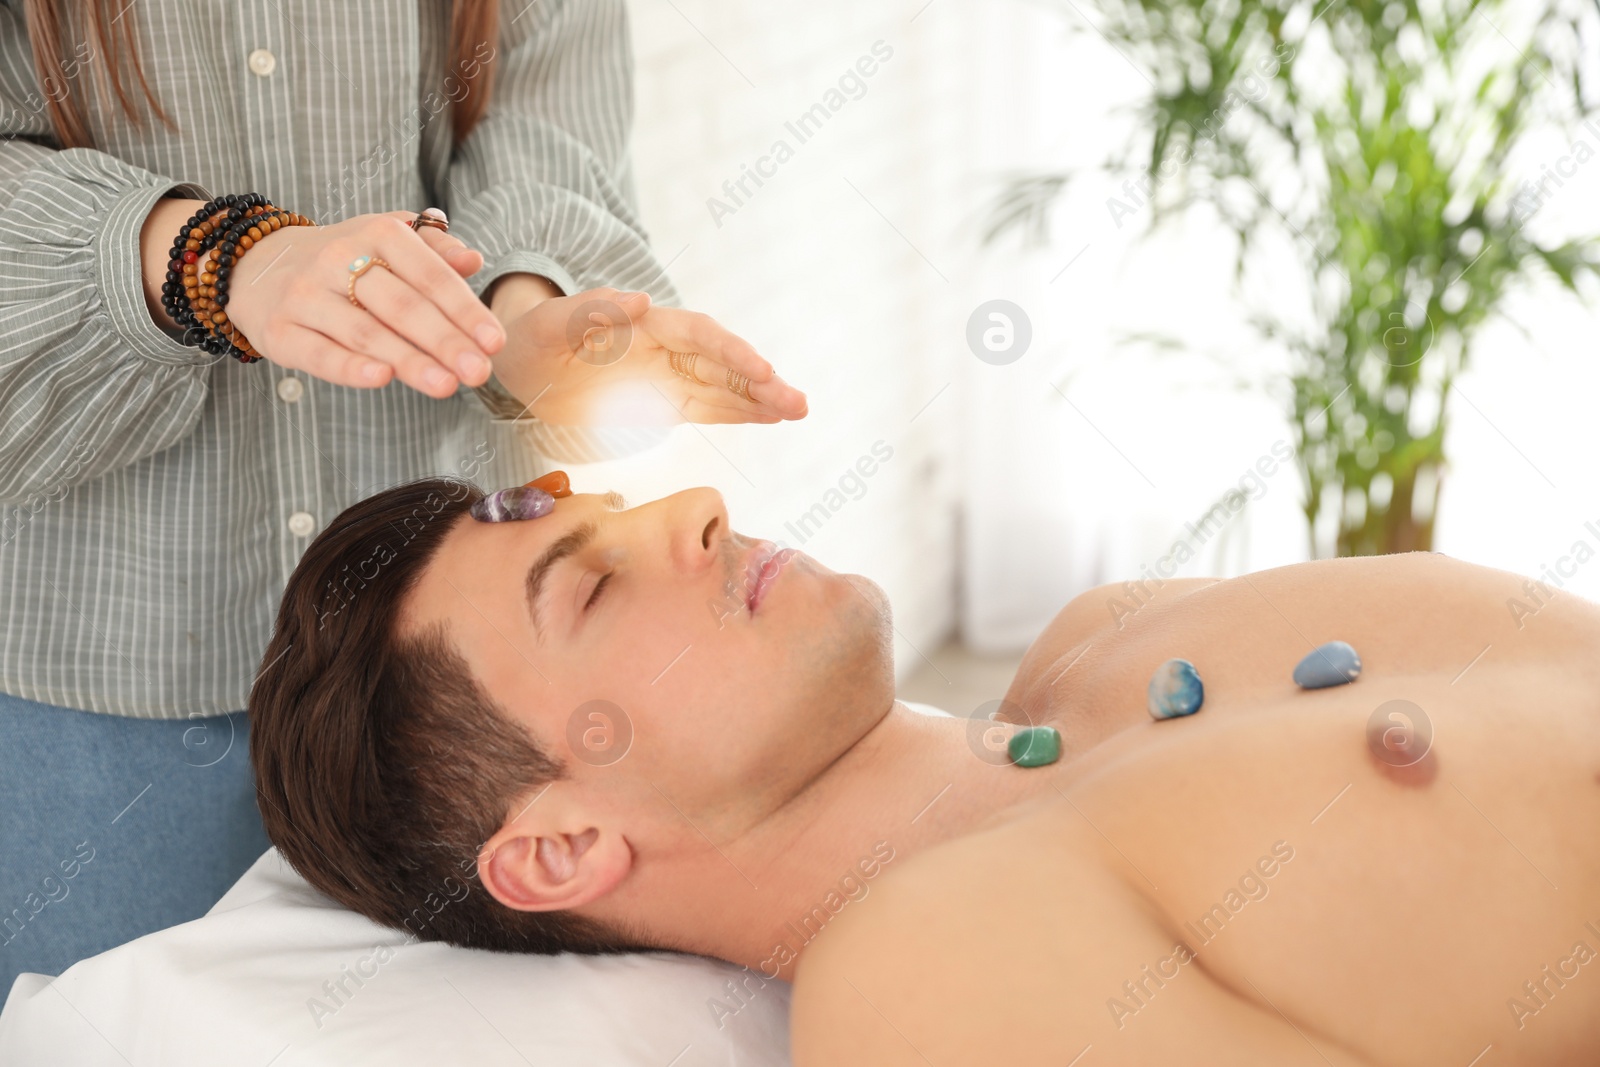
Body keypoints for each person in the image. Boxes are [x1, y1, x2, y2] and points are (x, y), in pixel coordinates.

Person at [0, 0, 806, 994]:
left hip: (441, 729)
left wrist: (524, 322)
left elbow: (539, 119)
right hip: (99, 684)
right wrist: (215, 259)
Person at [249, 475, 1600, 1064]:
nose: (694, 506)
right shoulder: (919, 978)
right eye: (591, 587)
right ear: (560, 846)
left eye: (626, 503)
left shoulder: (1106, 636)